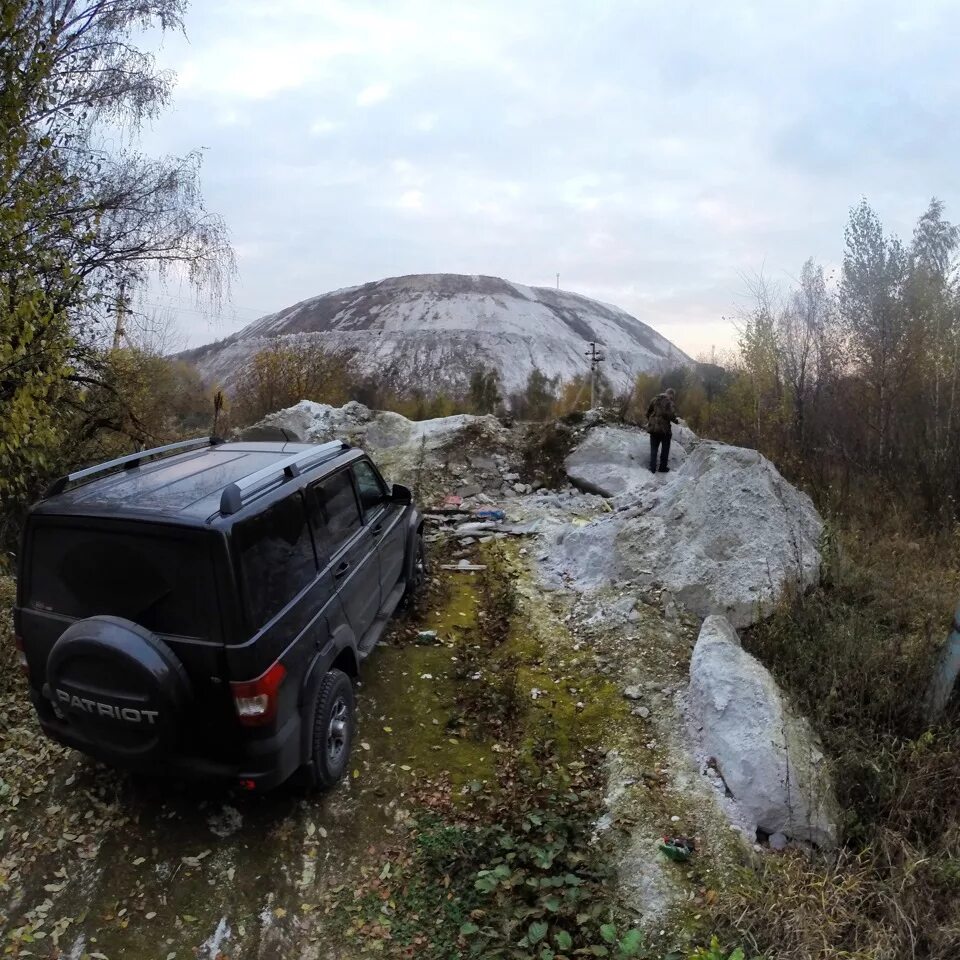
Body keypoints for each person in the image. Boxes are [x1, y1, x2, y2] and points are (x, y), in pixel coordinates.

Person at [646, 387, 679, 473]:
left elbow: (648, 412)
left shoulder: (654, 399)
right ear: (671, 394)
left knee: (653, 449)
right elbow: (671, 416)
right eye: (673, 396)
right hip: (664, 430)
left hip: (653, 429)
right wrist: (676, 421)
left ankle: (652, 468)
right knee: (665, 449)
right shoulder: (670, 403)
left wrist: (651, 421)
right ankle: (662, 468)